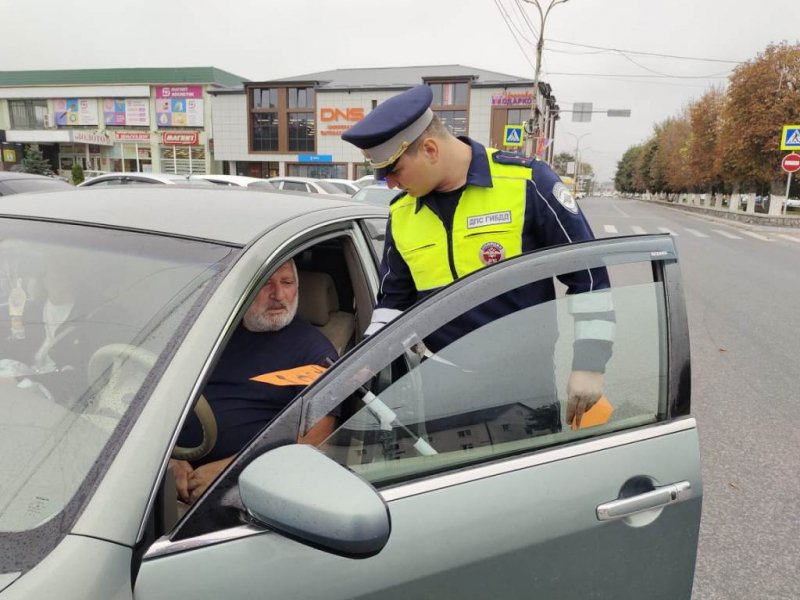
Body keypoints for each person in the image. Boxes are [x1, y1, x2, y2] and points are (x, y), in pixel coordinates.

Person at [342, 85, 614, 431]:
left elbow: (588, 278)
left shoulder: (528, 183)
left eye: (392, 170)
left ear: (429, 149)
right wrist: (366, 358)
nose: (390, 184)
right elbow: (393, 301)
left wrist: (589, 366)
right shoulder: (402, 214)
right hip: (442, 389)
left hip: (522, 391)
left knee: (530, 483)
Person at [171, 259, 338, 503]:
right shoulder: (209, 334)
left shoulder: (315, 353)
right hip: (164, 472)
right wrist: (169, 460)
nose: (278, 294)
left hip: (248, 488)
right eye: (265, 284)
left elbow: (314, 438)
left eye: (287, 283)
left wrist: (230, 470)